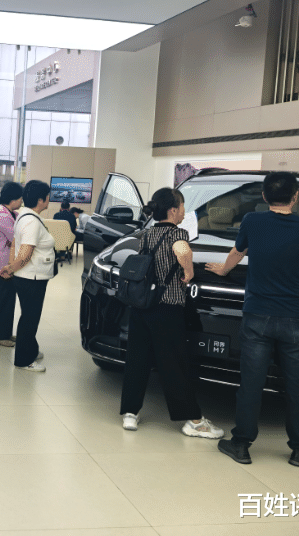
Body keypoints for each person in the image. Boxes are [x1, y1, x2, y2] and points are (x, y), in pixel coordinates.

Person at [207, 172, 299, 467]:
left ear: (264, 196)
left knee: (251, 383)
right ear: (295, 197)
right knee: (297, 386)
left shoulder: (252, 221)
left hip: (257, 315)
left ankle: (241, 444)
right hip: (296, 318)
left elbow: (238, 252)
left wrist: (223, 270)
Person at [119, 187, 224, 439]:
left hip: (142, 305)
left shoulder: (147, 234)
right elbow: (183, 251)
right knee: (174, 363)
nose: (184, 211)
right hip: (167, 308)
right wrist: (188, 272)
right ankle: (194, 421)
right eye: (183, 206)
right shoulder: (178, 233)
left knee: (137, 360)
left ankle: (130, 413)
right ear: (173, 210)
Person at [0, 180, 55, 372]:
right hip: (32, 278)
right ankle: (24, 360)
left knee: (29, 315)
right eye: (47, 196)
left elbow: (14, 245)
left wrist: (11, 266)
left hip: (27, 277)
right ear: (41, 200)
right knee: (30, 319)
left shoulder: (24, 216)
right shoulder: (31, 221)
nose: (49, 199)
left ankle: (31, 349)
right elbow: (25, 254)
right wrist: (11, 268)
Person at [0, 182, 23, 347]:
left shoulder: (12, 213)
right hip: (2, 265)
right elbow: (16, 238)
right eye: (20, 198)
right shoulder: (3, 216)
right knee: (3, 299)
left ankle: (6, 333)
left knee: (9, 299)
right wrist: (15, 242)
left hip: (8, 264)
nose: (22, 201)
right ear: (13, 198)